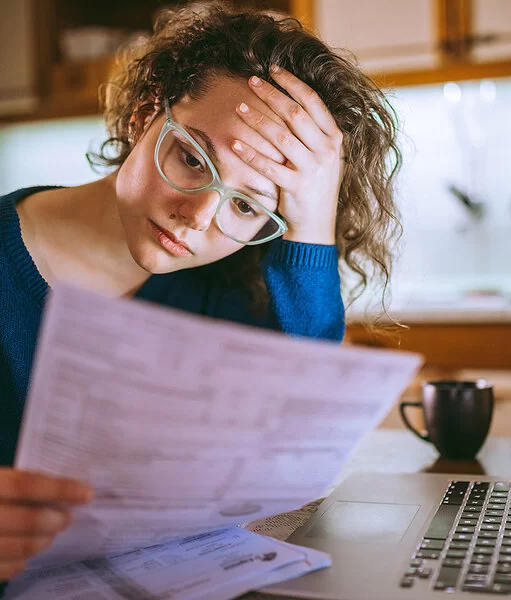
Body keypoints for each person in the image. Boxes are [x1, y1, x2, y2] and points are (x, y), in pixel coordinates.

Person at [0, 2, 402, 581]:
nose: (196, 218)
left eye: (247, 205)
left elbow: (299, 435)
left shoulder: (225, 292)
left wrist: (312, 224)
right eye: (191, 158)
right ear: (144, 116)